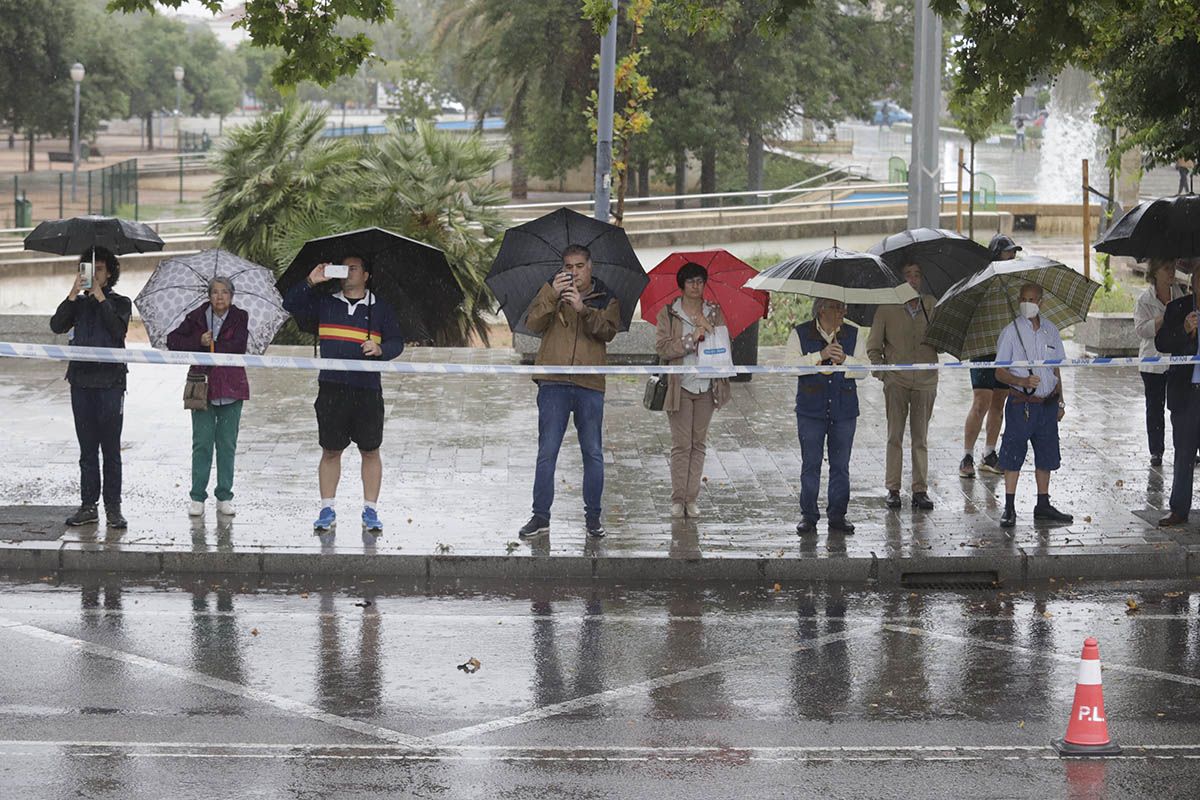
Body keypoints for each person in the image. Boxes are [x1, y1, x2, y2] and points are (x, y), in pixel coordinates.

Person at [283, 254, 404, 532]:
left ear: (366, 275)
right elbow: (289, 304)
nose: (348, 273)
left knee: (370, 451)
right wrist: (310, 281)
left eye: (354, 268)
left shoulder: (381, 308)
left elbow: (397, 341)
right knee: (330, 451)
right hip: (331, 388)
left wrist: (381, 349)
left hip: (367, 390)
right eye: (344, 268)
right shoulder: (325, 302)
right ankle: (327, 508)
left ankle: (370, 511)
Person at [517, 244, 621, 540]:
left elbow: (608, 332)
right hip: (553, 381)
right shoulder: (551, 291)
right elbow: (532, 323)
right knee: (547, 451)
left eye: (578, 266)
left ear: (590, 267)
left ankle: (593, 518)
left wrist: (582, 309)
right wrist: (552, 293)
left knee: (593, 452)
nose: (573, 272)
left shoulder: (607, 296)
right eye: (568, 267)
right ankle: (540, 517)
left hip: (589, 384)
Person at [49, 247, 131, 528]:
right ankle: (88, 505)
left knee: (110, 449)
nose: (93, 274)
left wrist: (99, 296)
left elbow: (117, 331)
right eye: (88, 268)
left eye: (98, 269)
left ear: (109, 273)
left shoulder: (120, 302)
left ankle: (113, 507)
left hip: (110, 384)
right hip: (81, 382)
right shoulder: (78, 304)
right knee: (87, 450)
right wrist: (73, 294)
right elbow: (57, 325)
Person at [654, 262, 732, 519]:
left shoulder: (713, 312)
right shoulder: (669, 313)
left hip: (707, 385)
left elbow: (723, 345)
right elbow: (663, 348)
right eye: (691, 282)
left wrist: (708, 330)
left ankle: (691, 498)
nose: (696, 286)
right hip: (680, 384)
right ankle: (678, 499)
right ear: (682, 285)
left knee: (698, 444)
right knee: (681, 444)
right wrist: (691, 339)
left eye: (700, 281)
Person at [167, 277, 249, 517]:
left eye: (224, 292)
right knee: (202, 443)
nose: (220, 297)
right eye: (214, 292)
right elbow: (173, 341)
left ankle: (224, 495)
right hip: (202, 388)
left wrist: (215, 344)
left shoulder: (240, 316)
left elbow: (239, 346)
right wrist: (199, 342)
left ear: (231, 296)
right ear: (208, 296)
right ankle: (197, 497)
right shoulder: (196, 317)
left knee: (227, 444)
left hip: (232, 388)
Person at [994, 282, 1072, 528]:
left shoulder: (1051, 331)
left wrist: (1060, 399)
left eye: (1032, 299)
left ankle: (1043, 503)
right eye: (1023, 298)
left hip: (1047, 405)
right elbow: (998, 372)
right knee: (1013, 453)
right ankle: (1009, 506)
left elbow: (1056, 367)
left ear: (1041, 302)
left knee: (1047, 454)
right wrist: (1021, 380)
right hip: (1021, 404)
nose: (1027, 303)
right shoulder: (1011, 332)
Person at [789, 298, 866, 535]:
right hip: (811, 410)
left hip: (844, 409)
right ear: (822, 309)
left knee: (841, 465)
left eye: (844, 306)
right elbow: (789, 366)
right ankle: (808, 516)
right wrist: (818, 355)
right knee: (810, 464)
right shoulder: (800, 333)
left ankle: (838, 515)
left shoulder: (854, 333)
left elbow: (865, 370)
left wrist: (846, 361)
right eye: (837, 307)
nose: (843, 311)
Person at [867, 262, 938, 510]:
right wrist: (883, 373)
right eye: (907, 274)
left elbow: (942, 341)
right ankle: (893, 488)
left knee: (921, 437)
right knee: (894, 435)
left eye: (917, 274)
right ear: (899, 279)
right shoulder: (887, 307)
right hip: (896, 380)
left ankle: (920, 489)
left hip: (926, 380)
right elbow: (873, 346)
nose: (913, 279)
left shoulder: (931, 304)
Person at [960, 233, 1022, 478]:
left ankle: (988, 453)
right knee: (981, 402)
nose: (1013, 256)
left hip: (1006, 350)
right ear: (996, 255)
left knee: (999, 402)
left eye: (1014, 253)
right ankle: (966, 455)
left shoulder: (1015, 283)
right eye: (1008, 252)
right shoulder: (980, 281)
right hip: (983, 349)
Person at [1154, 266, 1200, 526]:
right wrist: (1184, 329)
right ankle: (1179, 509)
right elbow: (1161, 344)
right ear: (1193, 282)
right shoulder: (1178, 308)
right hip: (1186, 395)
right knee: (1183, 453)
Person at [1134, 258, 1186, 468]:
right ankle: (1156, 451)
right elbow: (1141, 330)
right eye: (1166, 268)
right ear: (1155, 272)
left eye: (1173, 267)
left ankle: (1184, 448)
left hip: (1175, 359)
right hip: (1152, 361)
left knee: (1179, 407)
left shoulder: (1180, 294)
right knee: (1155, 408)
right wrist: (1164, 318)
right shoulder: (1144, 300)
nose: (1171, 272)